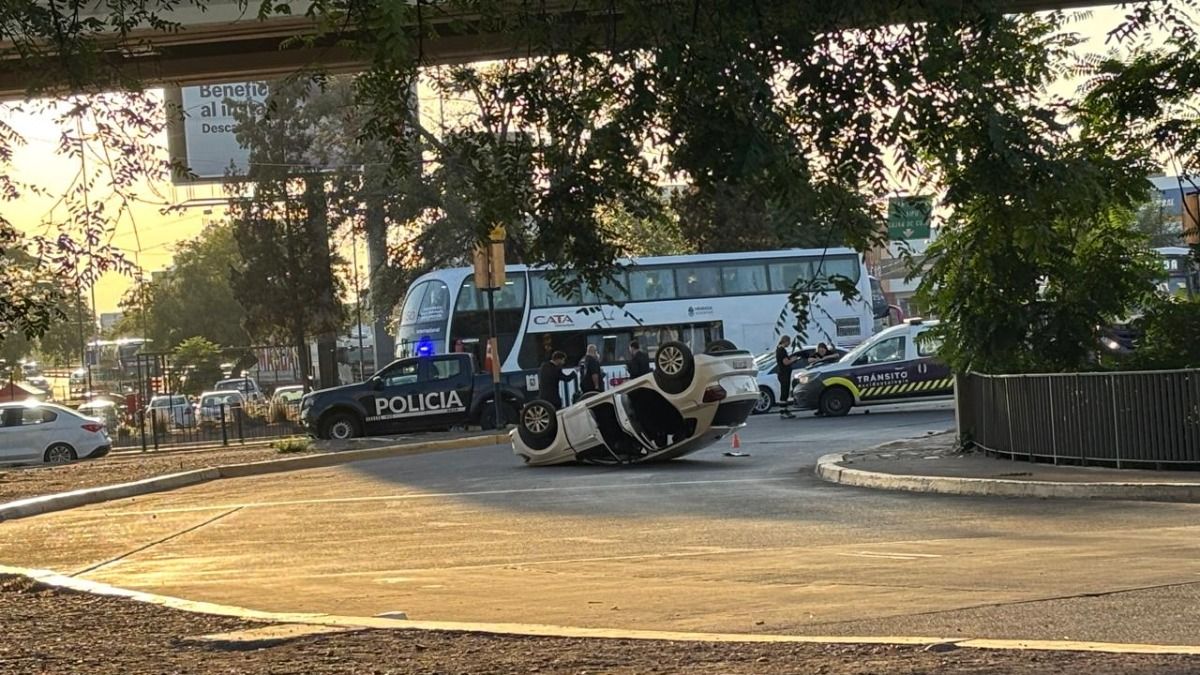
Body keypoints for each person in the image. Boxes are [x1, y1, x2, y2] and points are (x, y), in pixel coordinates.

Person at [776, 335, 799, 418]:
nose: (789, 344)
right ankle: (783, 411)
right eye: (788, 342)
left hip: (783, 373)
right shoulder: (781, 350)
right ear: (785, 341)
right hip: (784, 374)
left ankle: (785, 410)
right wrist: (793, 359)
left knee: (785, 392)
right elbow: (785, 362)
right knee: (784, 392)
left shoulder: (779, 349)